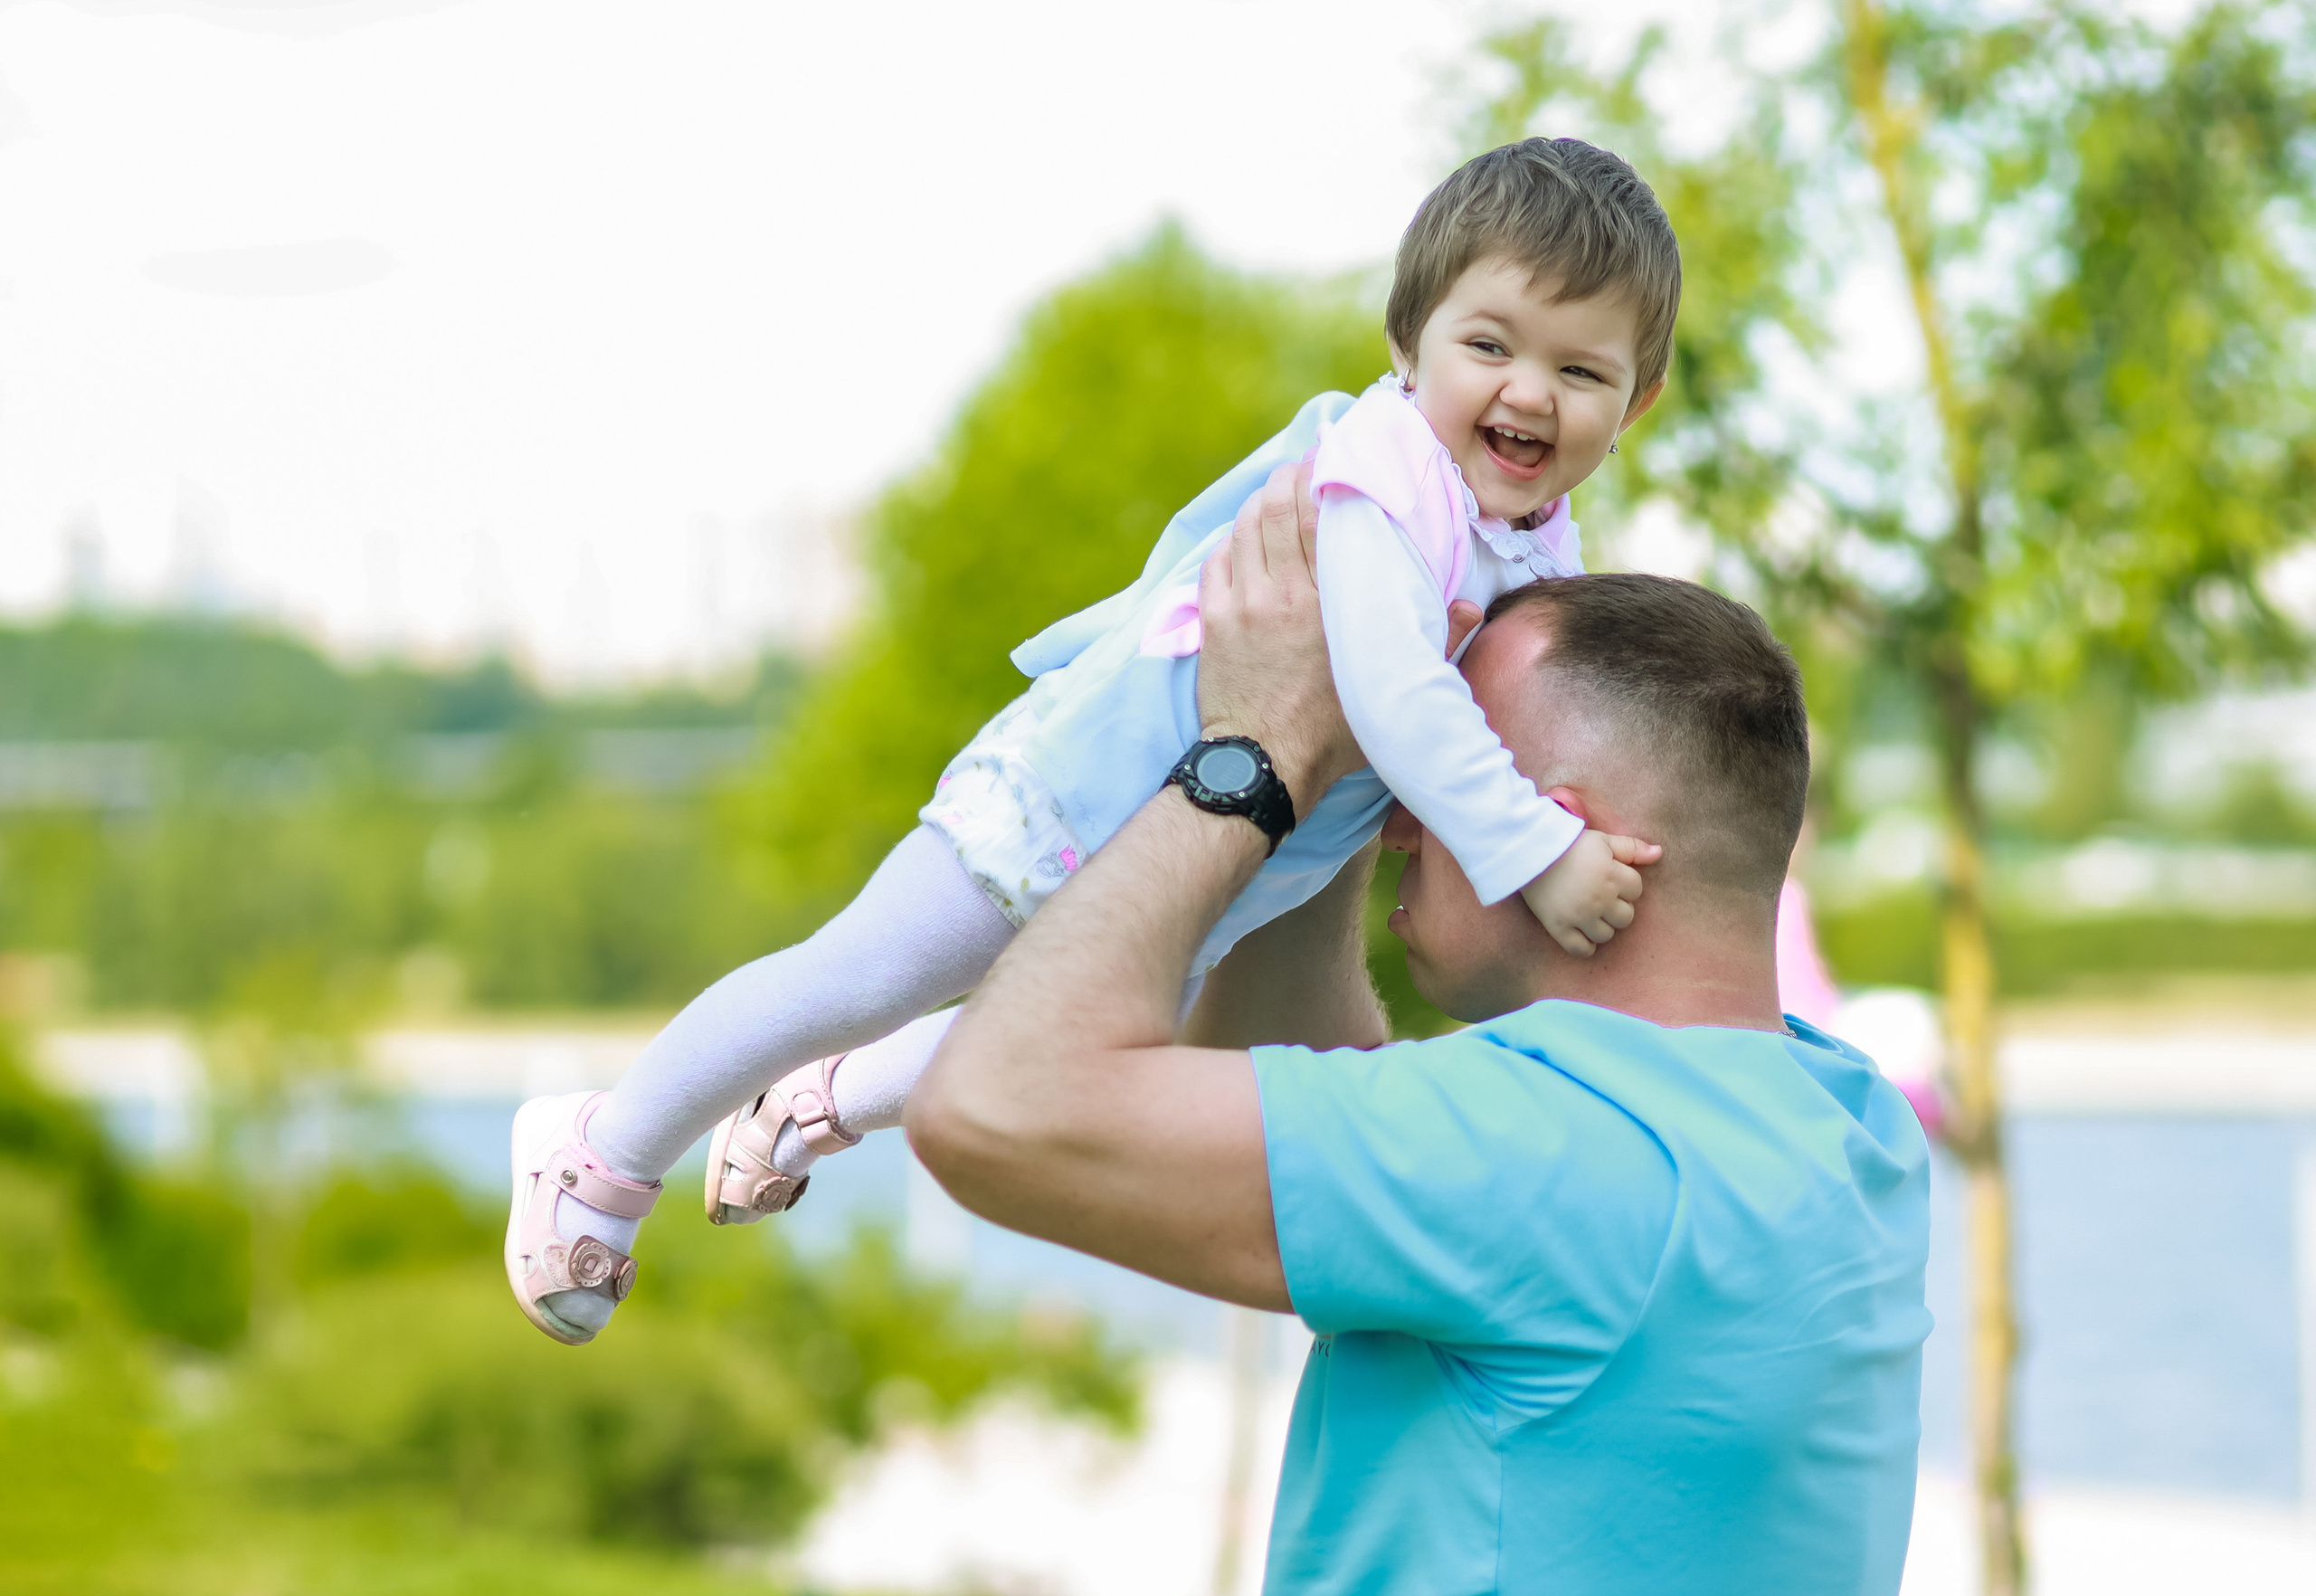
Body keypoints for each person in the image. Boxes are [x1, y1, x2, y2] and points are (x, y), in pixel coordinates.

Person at [505, 136, 1679, 1344]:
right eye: (1489, 346)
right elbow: (1391, 689)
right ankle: (600, 1147)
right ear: (1408, 340)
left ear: (1635, 400)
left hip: (1220, 857)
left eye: (1580, 371)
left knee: (1089, 1037)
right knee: (864, 969)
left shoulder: (1538, 536)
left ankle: (823, 1104)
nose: (1529, 393)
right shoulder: (1387, 476)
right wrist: (1532, 850)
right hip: (1082, 788)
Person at [906, 478, 1933, 1596]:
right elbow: (1288, 1101)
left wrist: (1257, 759)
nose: (1399, 812)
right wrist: (1329, 807)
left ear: (1558, 833)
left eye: (1441, 761)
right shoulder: (1838, 1134)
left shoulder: (1556, 1149)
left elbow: (993, 1106)